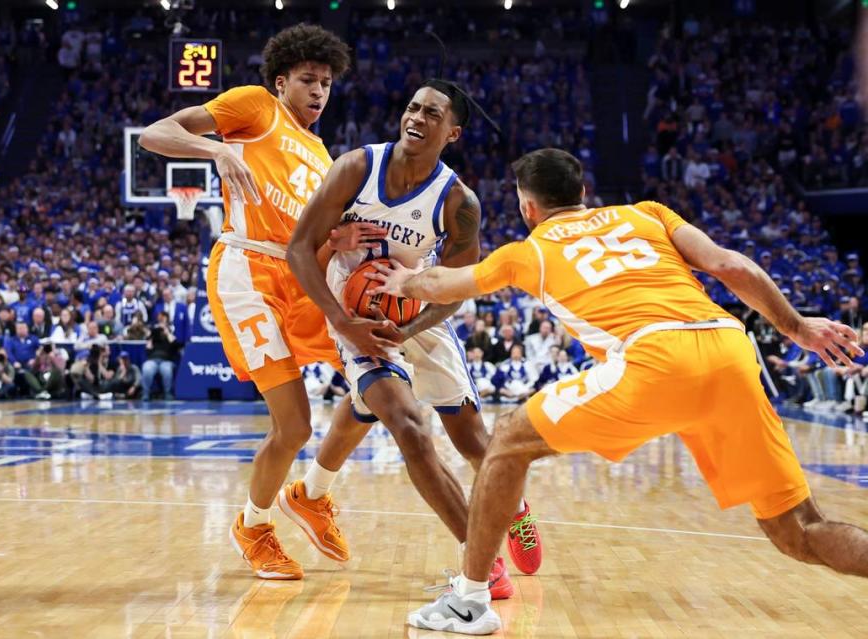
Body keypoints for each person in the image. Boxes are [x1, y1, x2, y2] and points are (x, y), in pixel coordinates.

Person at [369, 148, 868, 635]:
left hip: (654, 357)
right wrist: (796, 326)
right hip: (728, 347)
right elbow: (728, 265)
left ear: (528, 208)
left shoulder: (529, 252)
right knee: (798, 530)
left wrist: (406, 280)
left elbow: (443, 284)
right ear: (584, 193)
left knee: (505, 443)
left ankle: (470, 601)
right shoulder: (648, 213)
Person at [139, 23, 386, 580]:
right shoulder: (254, 108)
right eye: (308, 80)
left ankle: (312, 493)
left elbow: (311, 236)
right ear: (281, 82)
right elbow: (154, 134)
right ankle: (254, 527)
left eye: (326, 82)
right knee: (294, 425)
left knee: (376, 386)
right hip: (248, 269)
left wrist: (338, 240)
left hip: (302, 274)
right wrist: (211, 149)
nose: (319, 91)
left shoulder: (323, 155)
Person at [288, 80, 544, 589]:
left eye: (432, 114)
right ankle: (480, 561)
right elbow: (299, 249)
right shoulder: (357, 167)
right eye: (412, 107)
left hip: (416, 309)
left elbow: (455, 288)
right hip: (353, 312)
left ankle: (512, 507)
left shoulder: (458, 202)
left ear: (453, 132)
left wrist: (408, 325)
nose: (417, 118)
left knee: (473, 441)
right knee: (408, 424)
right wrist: (343, 322)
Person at [141, 312, 179, 400]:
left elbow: (175, 344)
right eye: (160, 319)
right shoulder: (154, 333)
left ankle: (168, 393)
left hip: (166, 360)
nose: (161, 322)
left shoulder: (171, 332)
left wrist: (166, 331)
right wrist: (150, 336)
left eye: (163, 319)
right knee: (147, 368)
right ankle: (146, 393)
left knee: (166, 370)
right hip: (153, 359)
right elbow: (148, 349)